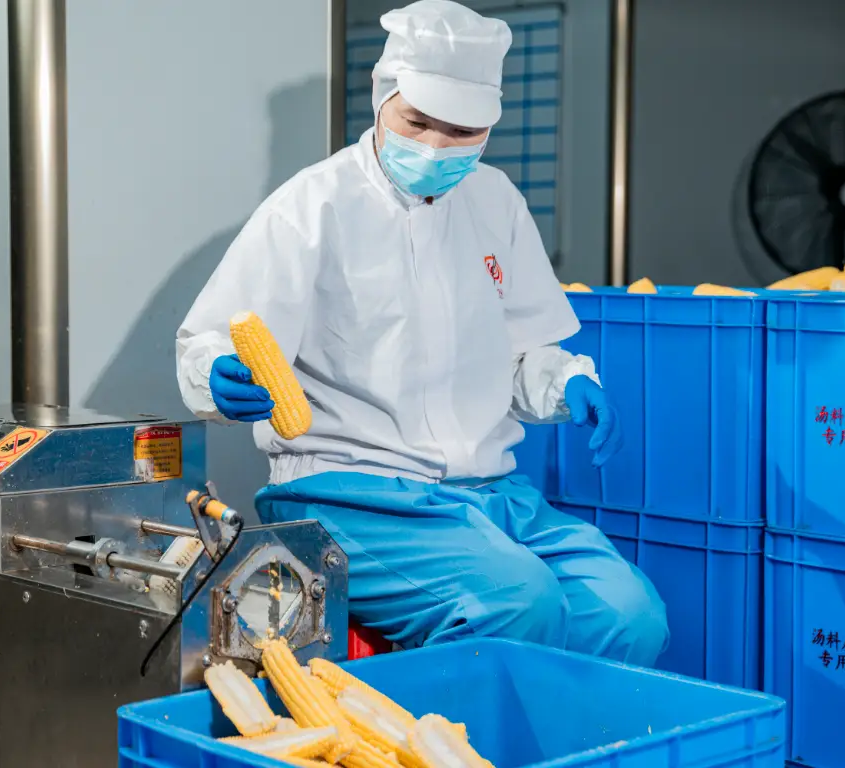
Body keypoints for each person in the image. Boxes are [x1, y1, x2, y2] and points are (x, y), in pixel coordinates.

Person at [177, 0, 668, 665]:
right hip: (349, 489)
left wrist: (565, 385)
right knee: (517, 601)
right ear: (384, 97)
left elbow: (523, 355)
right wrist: (215, 376)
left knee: (629, 615)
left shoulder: (497, 203)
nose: (436, 146)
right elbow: (211, 339)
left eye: (462, 131)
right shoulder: (314, 207)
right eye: (417, 121)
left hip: (490, 494)